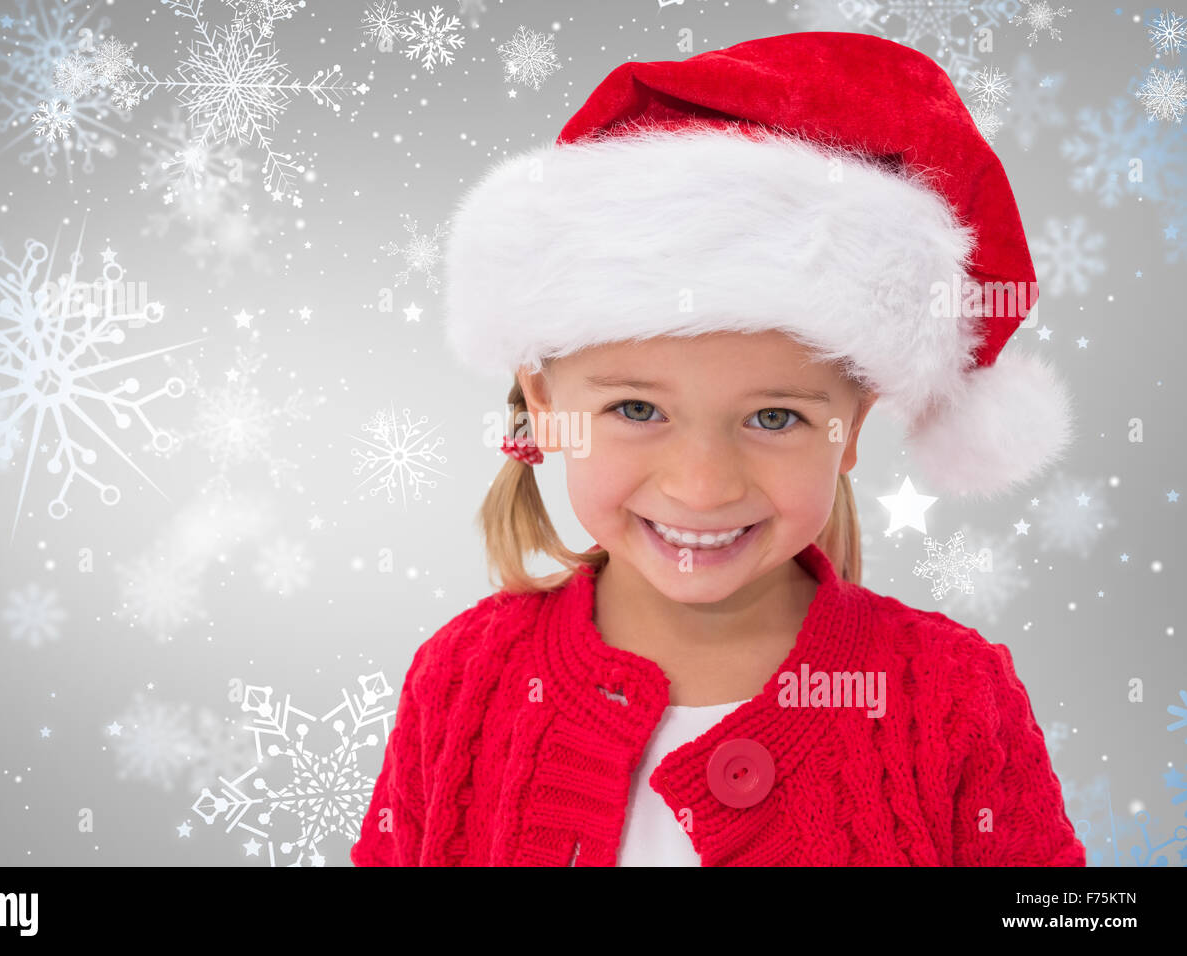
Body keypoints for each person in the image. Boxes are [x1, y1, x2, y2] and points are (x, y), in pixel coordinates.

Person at [350, 31, 1084, 866]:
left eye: (773, 418)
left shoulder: (952, 695)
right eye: (637, 408)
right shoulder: (461, 681)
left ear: (853, 428)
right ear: (546, 404)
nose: (702, 488)